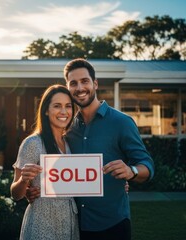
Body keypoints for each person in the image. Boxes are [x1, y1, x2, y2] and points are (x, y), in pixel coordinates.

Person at [27, 58, 154, 240]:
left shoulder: (121, 122)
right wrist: (35, 189)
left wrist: (131, 171)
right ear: (68, 87)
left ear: (95, 83)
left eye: (84, 81)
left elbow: (147, 166)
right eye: (73, 83)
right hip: (76, 226)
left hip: (113, 224)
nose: (80, 88)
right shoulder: (67, 129)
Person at [10, 84, 79, 240]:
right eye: (57, 106)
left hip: (69, 223)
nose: (63, 111)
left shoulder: (70, 143)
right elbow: (15, 194)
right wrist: (23, 180)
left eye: (68, 106)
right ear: (46, 111)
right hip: (42, 223)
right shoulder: (33, 143)